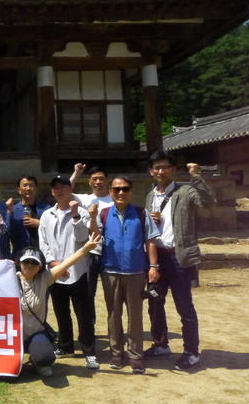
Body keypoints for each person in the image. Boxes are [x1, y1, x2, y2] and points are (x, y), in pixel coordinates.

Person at [144, 150, 215, 371]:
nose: (160, 171)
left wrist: (196, 176)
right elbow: (149, 230)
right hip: (158, 257)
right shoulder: (150, 195)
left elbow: (208, 202)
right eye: (157, 167)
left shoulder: (186, 191)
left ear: (173, 170)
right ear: (151, 171)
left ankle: (192, 352)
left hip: (179, 256)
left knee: (184, 306)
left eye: (165, 167)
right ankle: (161, 343)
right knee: (155, 302)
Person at [98, 176, 160, 374]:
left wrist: (153, 266)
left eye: (125, 189)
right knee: (114, 314)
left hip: (135, 271)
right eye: (116, 190)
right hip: (111, 271)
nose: (121, 193)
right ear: (110, 193)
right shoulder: (104, 214)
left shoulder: (141, 214)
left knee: (135, 316)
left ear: (132, 191)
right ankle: (117, 352)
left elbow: (150, 240)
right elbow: (94, 237)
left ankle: (135, 355)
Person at [17, 235, 101, 377]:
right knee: (7, 372)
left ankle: (38, 361)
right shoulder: (8, 278)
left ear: (40, 266)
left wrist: (85, 249)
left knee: (45, 357)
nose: (30, 265)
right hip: (13, 335)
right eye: (26, 262)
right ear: (19, 263)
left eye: (34, 263)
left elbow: (66, 264)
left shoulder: (44, 279)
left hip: (35, 333)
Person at [39, 175, 98, 369]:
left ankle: (89, 351)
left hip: (78, 270)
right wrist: (52, 262)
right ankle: (65, 346)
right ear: (52, 191)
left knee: (83, 312)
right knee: (61, 311)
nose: (59, 190)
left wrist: (75, 215)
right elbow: (43, 242)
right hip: (55, 270)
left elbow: (83, 238)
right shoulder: (47, 215)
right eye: (55, 187)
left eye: (63, 186)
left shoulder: (81, 212)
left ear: (70, 188)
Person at [69, 164, 114, 325]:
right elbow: (67, 191)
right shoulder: (85, 199)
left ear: (107, 181)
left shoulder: (114, 199)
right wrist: (76, 173)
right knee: (89, 292)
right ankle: (90, 324)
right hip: (92, 252)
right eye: (94, 179)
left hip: (112, 251)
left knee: (113, 292)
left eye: (101, 178)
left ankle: (114, 326)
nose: (98, 182)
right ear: (89, 181)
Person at [6, 175, 51, 258]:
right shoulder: (13, 210)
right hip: (21, 255)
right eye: (25, 185)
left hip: (43, 255)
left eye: (31, 185)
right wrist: (9, 212)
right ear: (19, 190)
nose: (28, 188)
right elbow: (7, 232)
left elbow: (56, 228)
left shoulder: (46, 208)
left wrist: (40, 224)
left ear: (36, 188)